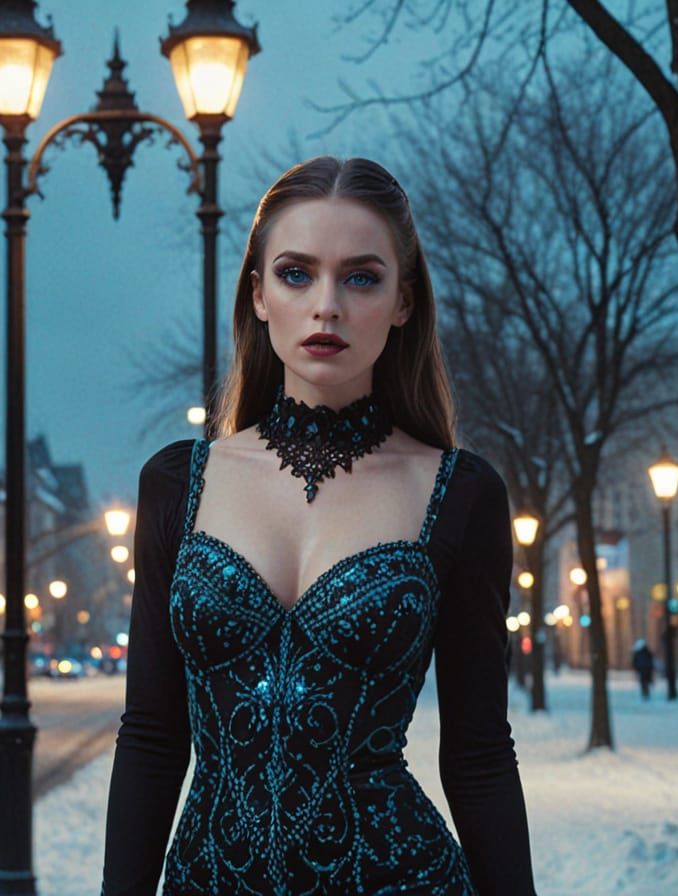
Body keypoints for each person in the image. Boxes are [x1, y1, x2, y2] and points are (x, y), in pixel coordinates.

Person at [101, 157, 536, 895]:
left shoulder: (460, 492)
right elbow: (151, 737)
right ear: (259, 295)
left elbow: (479, 754)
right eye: (296, 274)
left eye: (361, 277)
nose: (326, 305)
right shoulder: (177, 483)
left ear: (403, 301)